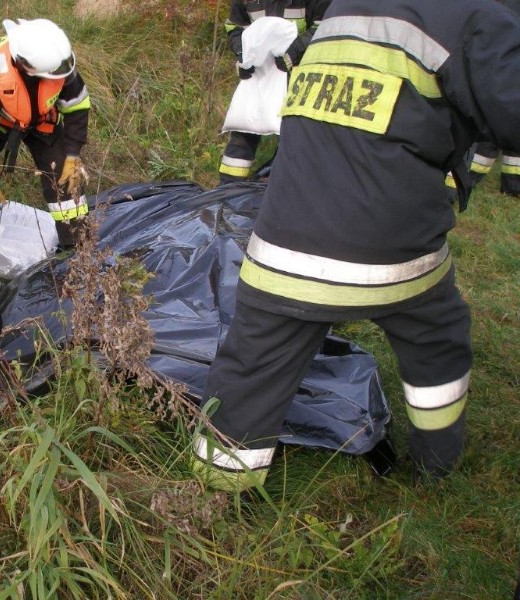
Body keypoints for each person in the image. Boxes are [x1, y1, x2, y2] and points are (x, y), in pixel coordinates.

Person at [193, 0, 520, 491]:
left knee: (251, 368)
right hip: (393, 252)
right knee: (438, 339)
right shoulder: (479, 15)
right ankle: (437, 470)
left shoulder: (343, 8)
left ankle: (215, 494)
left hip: (281, 244)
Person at [0, 18, 91, 248]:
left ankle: (77, 247)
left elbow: (77, 108)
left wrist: (72, 154)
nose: (60, 75)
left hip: (43, 123)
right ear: (27, 66)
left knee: (66, 180)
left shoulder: (60, 64)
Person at [218, 0, 330, 185]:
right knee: (243, 132)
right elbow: (235, 27)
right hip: (258, 73)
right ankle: (228, 189)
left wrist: (294, 52)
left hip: (301, 76)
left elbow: (325, 26)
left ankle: (285, 187)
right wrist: (242, 55)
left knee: (293, 136)